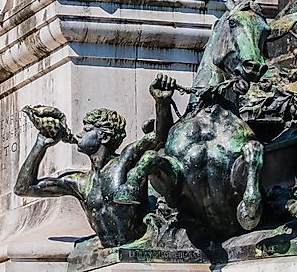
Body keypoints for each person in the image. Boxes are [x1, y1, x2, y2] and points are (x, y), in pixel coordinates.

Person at [14, 75, 177, 247]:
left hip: (138, 247)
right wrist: (41, 144)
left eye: (87, 130)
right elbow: (23, 188)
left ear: (104, 136)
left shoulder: (126, 160)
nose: (79, 134)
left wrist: (162, 103)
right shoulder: (80, 182)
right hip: (108, 252)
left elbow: (161, 137)